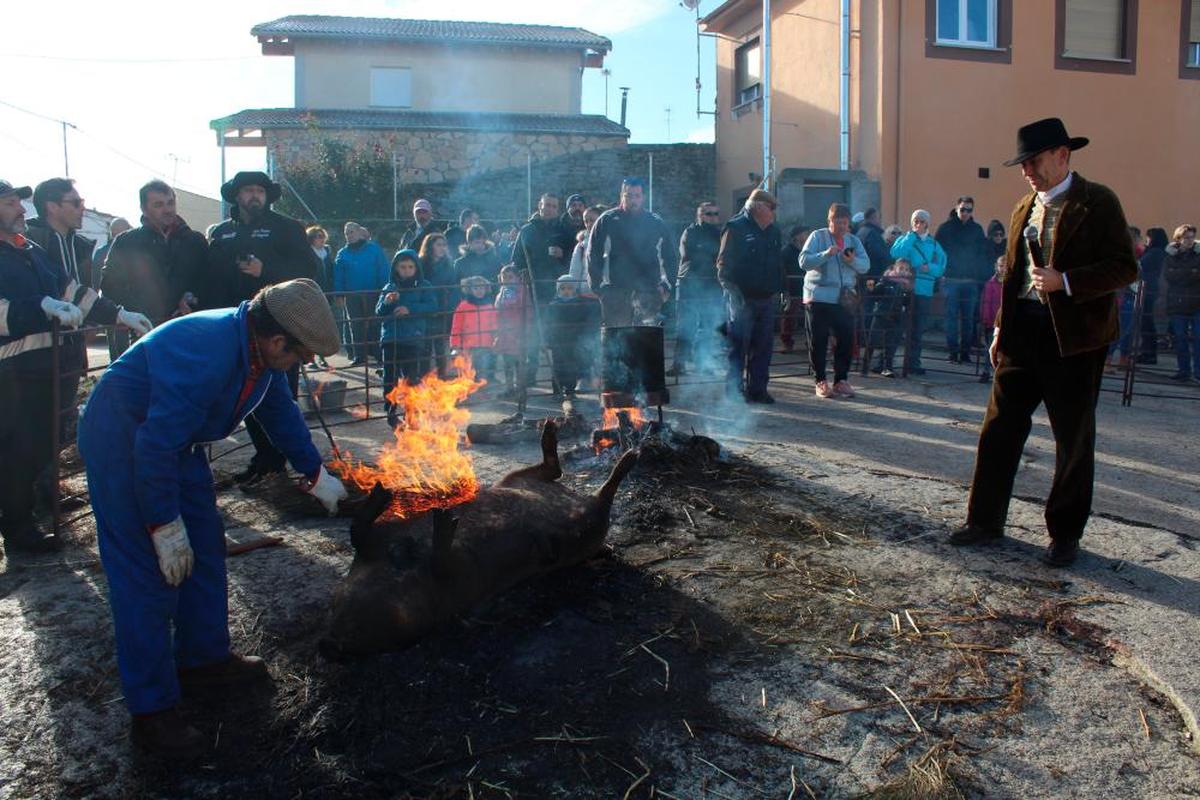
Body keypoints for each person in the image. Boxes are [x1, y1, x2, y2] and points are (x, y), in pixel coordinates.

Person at [77, 278, 346, 758]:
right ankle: (152, 713)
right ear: (278, 340)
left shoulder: (259, 353)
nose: (302, 366)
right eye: (302, 356)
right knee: (145, 574)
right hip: (125, 437)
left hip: (177, 442)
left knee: (203, 545)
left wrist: (314, 473)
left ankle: (203, 659)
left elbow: (279, 410)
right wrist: (161, 523)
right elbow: (154, 444)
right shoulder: (207, 349)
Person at [950, 117, 1138, 568]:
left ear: (1061, 154)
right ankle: (985, 520)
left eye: (1032, 161)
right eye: (1022, 164)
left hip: (1074, 340)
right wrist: (1000, 329)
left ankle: (1065, 534)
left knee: (1073, 439)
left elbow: (1124, 268)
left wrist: (1066, 281)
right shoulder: (1022, 207)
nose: (1026, 171)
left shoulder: (1098, 202)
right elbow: (1013, 274)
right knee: (998, 429)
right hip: (1022, 333)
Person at [0, 179, 150, 554]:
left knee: (41, 446)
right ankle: (17, 530)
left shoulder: (30, 250)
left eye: (18, 202)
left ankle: (23, 516)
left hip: (47, 367)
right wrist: (38, 308)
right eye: (10, 203)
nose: (21, 209)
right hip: (11, 373)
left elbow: (73, 292)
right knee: (17, 450)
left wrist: (119, 314)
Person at [206, 171, 320, 486]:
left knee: (280, 394)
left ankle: (282, 457)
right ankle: (266, 458)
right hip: (235, 330)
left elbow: (309, 271)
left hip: (279, 328)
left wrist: (265, 270)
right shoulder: (221, 234)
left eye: (259, 190)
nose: (254, 195)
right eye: (248, 190)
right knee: (245, 395)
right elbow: (209, 278)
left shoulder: (288, 229)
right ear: (237, 196)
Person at [100, 180, 209, 359]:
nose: (167, 209)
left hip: (188, 329)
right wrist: (138, 313)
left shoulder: (195, 241)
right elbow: (109, 285)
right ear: (144, 209)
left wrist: (191, 297)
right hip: (143, 333)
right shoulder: (127, 242)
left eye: (170, 203)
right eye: (158, 205)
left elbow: (208, 280)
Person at [718, 189, 784, 403]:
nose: (773, 213)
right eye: (771, 208)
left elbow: (778, 264)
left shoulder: (774, 231)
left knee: (763, 347)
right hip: (741, 298)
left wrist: (784, 290)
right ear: (758, 207)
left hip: (765, 298)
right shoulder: (735, 228)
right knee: (738, 347)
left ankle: (758, 389)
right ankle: (733, 391)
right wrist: (733, 293)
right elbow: (723, 266)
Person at [799, 202, 870, 398]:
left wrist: (852, 261)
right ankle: (820, 380)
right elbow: (803, 262)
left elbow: (865, 265)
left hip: (845, 299)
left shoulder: (853, 240)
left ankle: (841, 380)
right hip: (818, 297)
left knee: (847, 339)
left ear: (849, 224)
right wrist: (825, 254)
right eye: (837, 222)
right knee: (818, 341)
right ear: (829, 221)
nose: (840, 227)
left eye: (844, 223)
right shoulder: (817, 236)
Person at [587, 177, 677, 327]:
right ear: (621, 196)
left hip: (649, 292)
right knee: (616, 342)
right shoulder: (607, 220)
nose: (632, 200)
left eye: (637, 196)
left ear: (643, 197)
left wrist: (667, 285)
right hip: (615, 292)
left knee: (646, 342)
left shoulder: (655, 222)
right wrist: (598, 287)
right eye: (628, 195)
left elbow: (669, 256)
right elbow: (593, 254)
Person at [377, 250, 436, 427]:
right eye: (403, 267)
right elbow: (379, 311)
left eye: (410, 267)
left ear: (416, 268)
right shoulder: (389, 287)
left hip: (413, 338)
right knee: (390, 376)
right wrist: (387, 302)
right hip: (391, 338)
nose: (407, 270)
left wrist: (409, 309)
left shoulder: (424, 286)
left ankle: (412, 412)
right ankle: (391, 410)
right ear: (396, 268)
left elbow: (432, 306)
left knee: (412, 377)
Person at [889, 210, 947, 375]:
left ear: (927, 223)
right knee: (896, 327)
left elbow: (942, 265)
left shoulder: (934, 244)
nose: (918, 223)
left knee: (917, 329)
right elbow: (895, 253)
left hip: (924, 291)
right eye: (915, 220)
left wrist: (929, 268)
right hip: (903, 289)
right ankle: (887, 363)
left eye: (921, 221)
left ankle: (913, 363)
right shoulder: (906, 238)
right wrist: (911, 236)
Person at [936, 197, 991, 364]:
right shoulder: (945, 228)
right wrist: (941, 273)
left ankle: (965, 353)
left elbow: (983, 254)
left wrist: (980, 275)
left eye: (969, 210)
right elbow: (937, 252)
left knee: (968, 320)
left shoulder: (977, 229)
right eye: (963, 209)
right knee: (951, 318)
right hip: (951, 279)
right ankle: (953, 352)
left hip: (970, 281)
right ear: (956, 208)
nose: (966, 213)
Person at [673, 202, 724, 374]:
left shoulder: (720, 233)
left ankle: (703, 363)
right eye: (709, 214)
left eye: (716, 213)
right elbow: (690, 255)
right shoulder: (691, 232)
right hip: (690, 283)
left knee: (708, 325)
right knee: (686, 325)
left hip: (711, 285)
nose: (714, 217)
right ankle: (679, 364)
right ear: (701, 215)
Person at [334, 222, 390, 366]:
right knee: (355, 325)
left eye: (352, 232)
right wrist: (339, 295)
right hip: (352, 295)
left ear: (360, 232)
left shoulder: (374, 249)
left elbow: (383, 270)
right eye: (346, 233)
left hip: (373, 293)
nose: (349, 235)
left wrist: (384, 291)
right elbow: (338, 276)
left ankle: (379, 354)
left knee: (375, 324)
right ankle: (359, 355)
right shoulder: (342, 253)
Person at [26, 178, 95, 289]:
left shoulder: (82, 246)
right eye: (76, 203)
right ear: (52, 207)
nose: (83, 208)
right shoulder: (26, 245)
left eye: (82, 202)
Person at [546, 275, 601, 399]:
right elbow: (548, 324)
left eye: (570, 288)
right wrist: (548, 339)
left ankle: (570, 390)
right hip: (558, 341)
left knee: (572, 366)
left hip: (573, 341)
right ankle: (557, 391)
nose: (566, 291)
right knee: (558, 366)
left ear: (575, 290)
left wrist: (581, 337)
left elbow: (583, 323)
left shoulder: (580, 305)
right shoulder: (553, 305)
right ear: (558, 290)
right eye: (563, 288)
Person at [866, 257, 914, 377]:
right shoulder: (886, 280)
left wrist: (908, 292)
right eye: (901, 268)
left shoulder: (907, 285)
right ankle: (865, 365)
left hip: (896, 317)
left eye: (906, 269)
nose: (903, 271)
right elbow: (876, 294)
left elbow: (907, 303)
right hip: (881, 314)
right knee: (873, 340)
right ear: (894, 268)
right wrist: (871, 288)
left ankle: (887, 367)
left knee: (890, 344)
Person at [418, 233, 458, 378]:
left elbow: (454, 288)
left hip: (442, 309)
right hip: (425, 310)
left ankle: (441, 378)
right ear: (430, 246)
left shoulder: (448, 264)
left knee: (441, 346)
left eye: (444, 245)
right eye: (438, 245)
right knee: (425, 347)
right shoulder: (421, 264)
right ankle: (423, 378)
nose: (442, 248)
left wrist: (450, 308)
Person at [1164, 224, 1200, 382]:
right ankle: (1183, 370)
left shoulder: (1198, 255)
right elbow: (1168, 276)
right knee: (1180, 339)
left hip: (1197, 302)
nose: (1190, 240)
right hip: (1177, 303)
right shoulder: (1170, 255)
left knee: (1198, 340)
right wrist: (1191, 273)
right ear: (1179, 238)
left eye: (1192, 237)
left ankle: (1198, 372)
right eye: (1186, 237)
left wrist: (1181, 273)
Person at [449, 275, 498, 382]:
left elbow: (494, 325)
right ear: (469, 290)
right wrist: (455, 344)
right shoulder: (463, 306)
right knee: (470, 371)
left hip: (486, 344)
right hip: (469, 346)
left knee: (484, 370)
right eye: (476, 288)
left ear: (486, 289)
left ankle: (484, 390)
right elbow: (456, 326)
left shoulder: (489, 306)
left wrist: (496, 339)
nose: (479, 291)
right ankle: (472, 391)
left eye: (482, 288)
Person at [493, 264, 533, 398]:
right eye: (504, 277)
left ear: (517, 278)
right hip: (505, 333)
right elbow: (497, 312)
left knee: (519, 362)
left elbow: (528, 312)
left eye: (510, 277)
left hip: (518, 332)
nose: (507, 280)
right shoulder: (502, 292)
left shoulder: (522, 291)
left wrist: (526, 331)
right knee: (507, 362)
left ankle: (520, 389)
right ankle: (509, 388)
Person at [1136, 227, 1168, 365]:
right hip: (1149, 289)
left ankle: (1148, 354)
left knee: (1147, 323)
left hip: (1149, 291)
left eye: (1148, 237)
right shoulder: (1157, 251)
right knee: (1146, 324)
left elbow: (1141, 265)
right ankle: (1146, 352)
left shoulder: (1156, 252)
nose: (1146, 239)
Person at [779, 224, 810, 354]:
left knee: (811, 317)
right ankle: (787, 342)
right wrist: (784, 288)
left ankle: (810, 341)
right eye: (804, 233)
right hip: (793, 288)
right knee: (789, 316)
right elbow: (781, 269)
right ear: (797, 236)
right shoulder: (787, 251)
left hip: (808, 288)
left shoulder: (808, 249)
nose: (807, 235)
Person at [978, 256, 1005, 383]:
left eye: (1005, 266)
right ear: (996, 267)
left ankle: (1000, 374)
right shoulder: (990, 283)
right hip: (992, 320)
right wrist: (985, 318)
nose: (1003, 269)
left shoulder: (1012, 283)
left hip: (1006, 321)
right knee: (989, 348)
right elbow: (986, 302)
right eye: (1000, 266)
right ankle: (986, 371)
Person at [453, 224, 502, 290]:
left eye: (481, 241)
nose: (480, 244)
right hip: (467, 299)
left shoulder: (495, 261)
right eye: (476, 242)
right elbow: (455, 286)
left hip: (490, 298)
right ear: (469, 242)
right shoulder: (460, 264)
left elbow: (501, 282)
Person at [568, 204, 605, 289]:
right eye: (586, 221)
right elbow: (574, 273)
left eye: (592, 220)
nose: (588, 224)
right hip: (586, 294)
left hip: (607, 294)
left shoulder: (611, 242)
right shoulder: (581, 246)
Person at [92, 217, 132, 287]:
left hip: (105, 295)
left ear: (111, 233)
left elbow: (95, 281)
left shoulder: (100, 252)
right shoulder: (133, 253)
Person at [857, 208, 891, 278]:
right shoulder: (872, 234)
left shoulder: (860, 232)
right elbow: (879, 254)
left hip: (862, 274)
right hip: (874, 275)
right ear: (873, 218)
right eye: (879, 218)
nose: (880, 221)